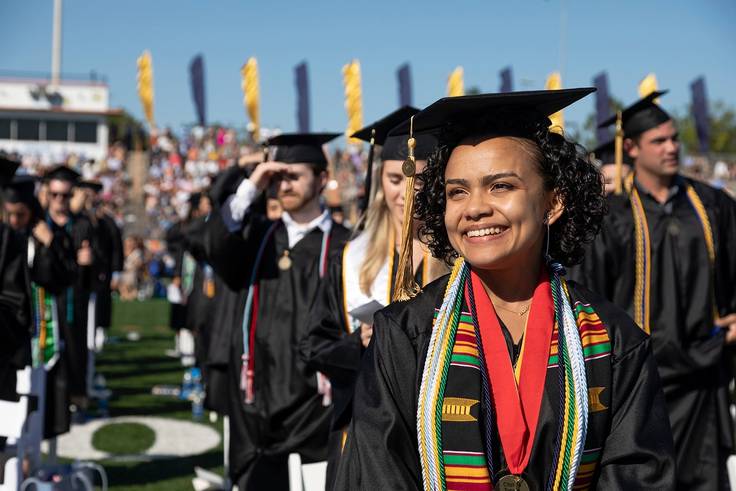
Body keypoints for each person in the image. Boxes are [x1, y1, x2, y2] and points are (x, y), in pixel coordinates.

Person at [335, 89, 675, 490]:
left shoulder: (612, 340)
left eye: (500, 186)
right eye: (456, 191)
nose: (474, 207)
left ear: (553, 201)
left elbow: (638, 474)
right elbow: (377, 472)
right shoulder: (406, 334)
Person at [570, 90, 736, 489]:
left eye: (674, 138)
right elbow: (588, 293)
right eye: (659, 141)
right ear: (631, 147)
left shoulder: (711, 204)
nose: (672, 148)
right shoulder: (612, 215)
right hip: (639, 380)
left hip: (703, 374)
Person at [301, 107, 446, 488]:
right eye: (395, 178)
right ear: (380, 181)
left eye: (421, 177)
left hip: (442, 437)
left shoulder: (461, 257)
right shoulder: (352, 258)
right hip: (363, 436)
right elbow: (313, 344)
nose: (407, 190)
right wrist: (358, 343)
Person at [204, 133, 351, 490]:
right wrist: (253, 184)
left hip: (318, 410)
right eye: (278, 177)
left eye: (294, 175)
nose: (284, 184)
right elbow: (213, 243)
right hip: (257, 408)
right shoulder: (257, 239)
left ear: (320, 179)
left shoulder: (348, 246)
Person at [42, 165, 96, 417]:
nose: (59, 201)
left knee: (74, 350)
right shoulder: (40, 224)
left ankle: (74, 397)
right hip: (44, 299)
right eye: (54, 194)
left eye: (64, 195)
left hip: (73, 297)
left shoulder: (82, 225)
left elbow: (93, 272)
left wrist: (88, 263)